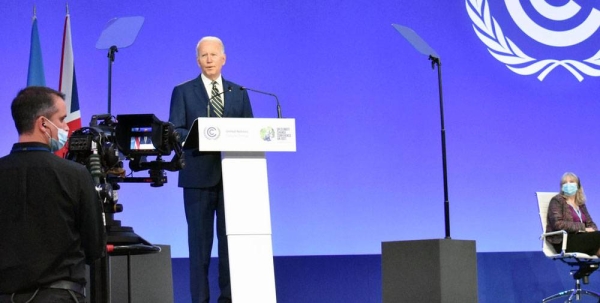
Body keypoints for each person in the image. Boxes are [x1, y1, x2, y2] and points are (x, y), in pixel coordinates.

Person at [0, 86, 106, 303]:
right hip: (60, 295)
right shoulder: (75, 175)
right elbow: (94, 247)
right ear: (42, 123)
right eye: (61, 119)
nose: (66, 127)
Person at [169, 36, 253, 303]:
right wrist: (201, 134)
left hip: (233, 179)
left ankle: (229, 299)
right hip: (197, 180)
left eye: (213, 55)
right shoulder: (183, 91)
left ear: (223, 59)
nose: (209, 60)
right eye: (204, 56)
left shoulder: (238, 92)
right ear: (198, 60)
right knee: (200, 250)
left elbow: (250, 131)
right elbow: (175, 131)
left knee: (231, 247)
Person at [546, 172, 600, 256]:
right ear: (562, 187)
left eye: (571, 182)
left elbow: (591, 224)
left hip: (582, 238)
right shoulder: (557, 200)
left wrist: (592, 229)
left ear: (578, 186)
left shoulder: (580, 204)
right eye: (564, 183)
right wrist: (583, 228)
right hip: (565, 241)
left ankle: (586, 268)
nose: (568, 184)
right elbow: (557, 224)